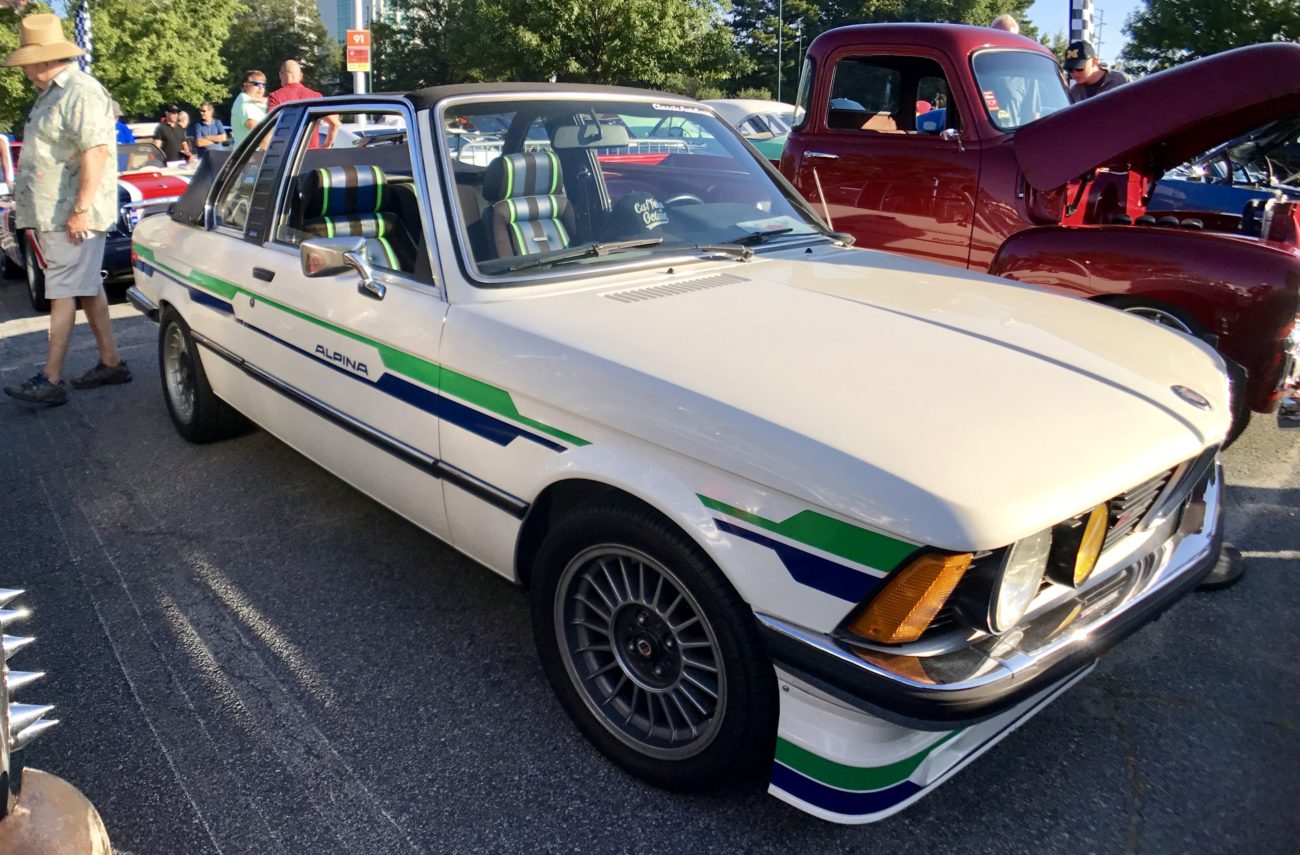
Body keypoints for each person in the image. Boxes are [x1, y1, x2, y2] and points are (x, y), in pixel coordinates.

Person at [2, 13, 130, 407]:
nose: (24, 71)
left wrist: (80, 209)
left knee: (61, 291)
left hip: (70, 214)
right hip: (59, 211)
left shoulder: (79, 91)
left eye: (26, 62)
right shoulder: (56, 92)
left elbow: (96, 151)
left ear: (42, 59)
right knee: (85, 287)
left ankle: (51, 378)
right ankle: (111, 363)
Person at [268, 59, 339, 146]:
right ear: (301, 76)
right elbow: (335, 124)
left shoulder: (275, 97)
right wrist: (326, 146)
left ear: (281, 75)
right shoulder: (315, 97)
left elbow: (269, 127)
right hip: (311, 155)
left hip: (285, 155)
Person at [1064, 40, 1130, 102]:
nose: (1075, 74)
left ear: (1094, 61)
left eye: (1079, 68)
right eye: (1070, 70)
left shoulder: (1120, 81)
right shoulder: (1074, 93)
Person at [230, 69, 267, 147]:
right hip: (249, 156)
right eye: (256, 84)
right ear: (245, 85)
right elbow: (259, 134)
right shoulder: (244, 102)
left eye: (263, 84)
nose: (261, 88)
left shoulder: (258, 102)